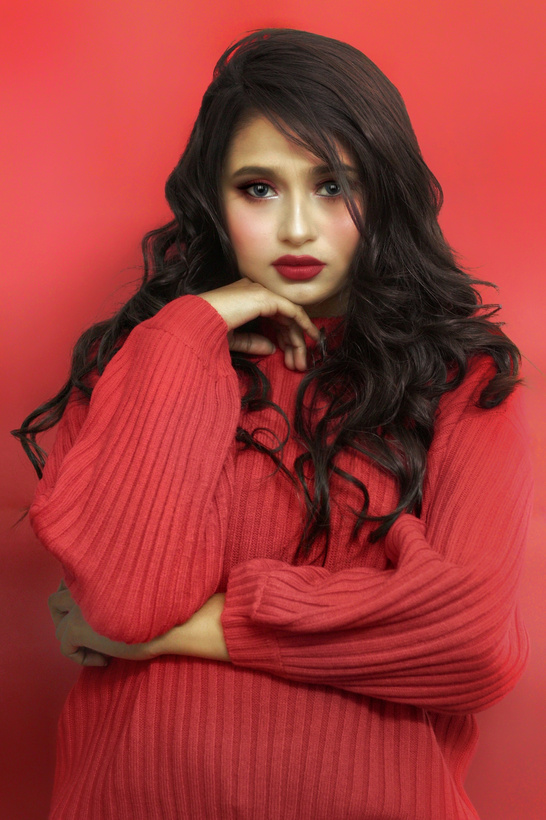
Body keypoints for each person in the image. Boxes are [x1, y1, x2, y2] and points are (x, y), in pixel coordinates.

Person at [13, 27, 533, 820]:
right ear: (212, 204)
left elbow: (469, 644)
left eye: (333, 186)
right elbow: (122, 601)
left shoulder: (465, 382)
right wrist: (192, 330)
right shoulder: (149, 361)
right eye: (258, 188)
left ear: (383, 193)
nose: (296, 227)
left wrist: (185, 633)